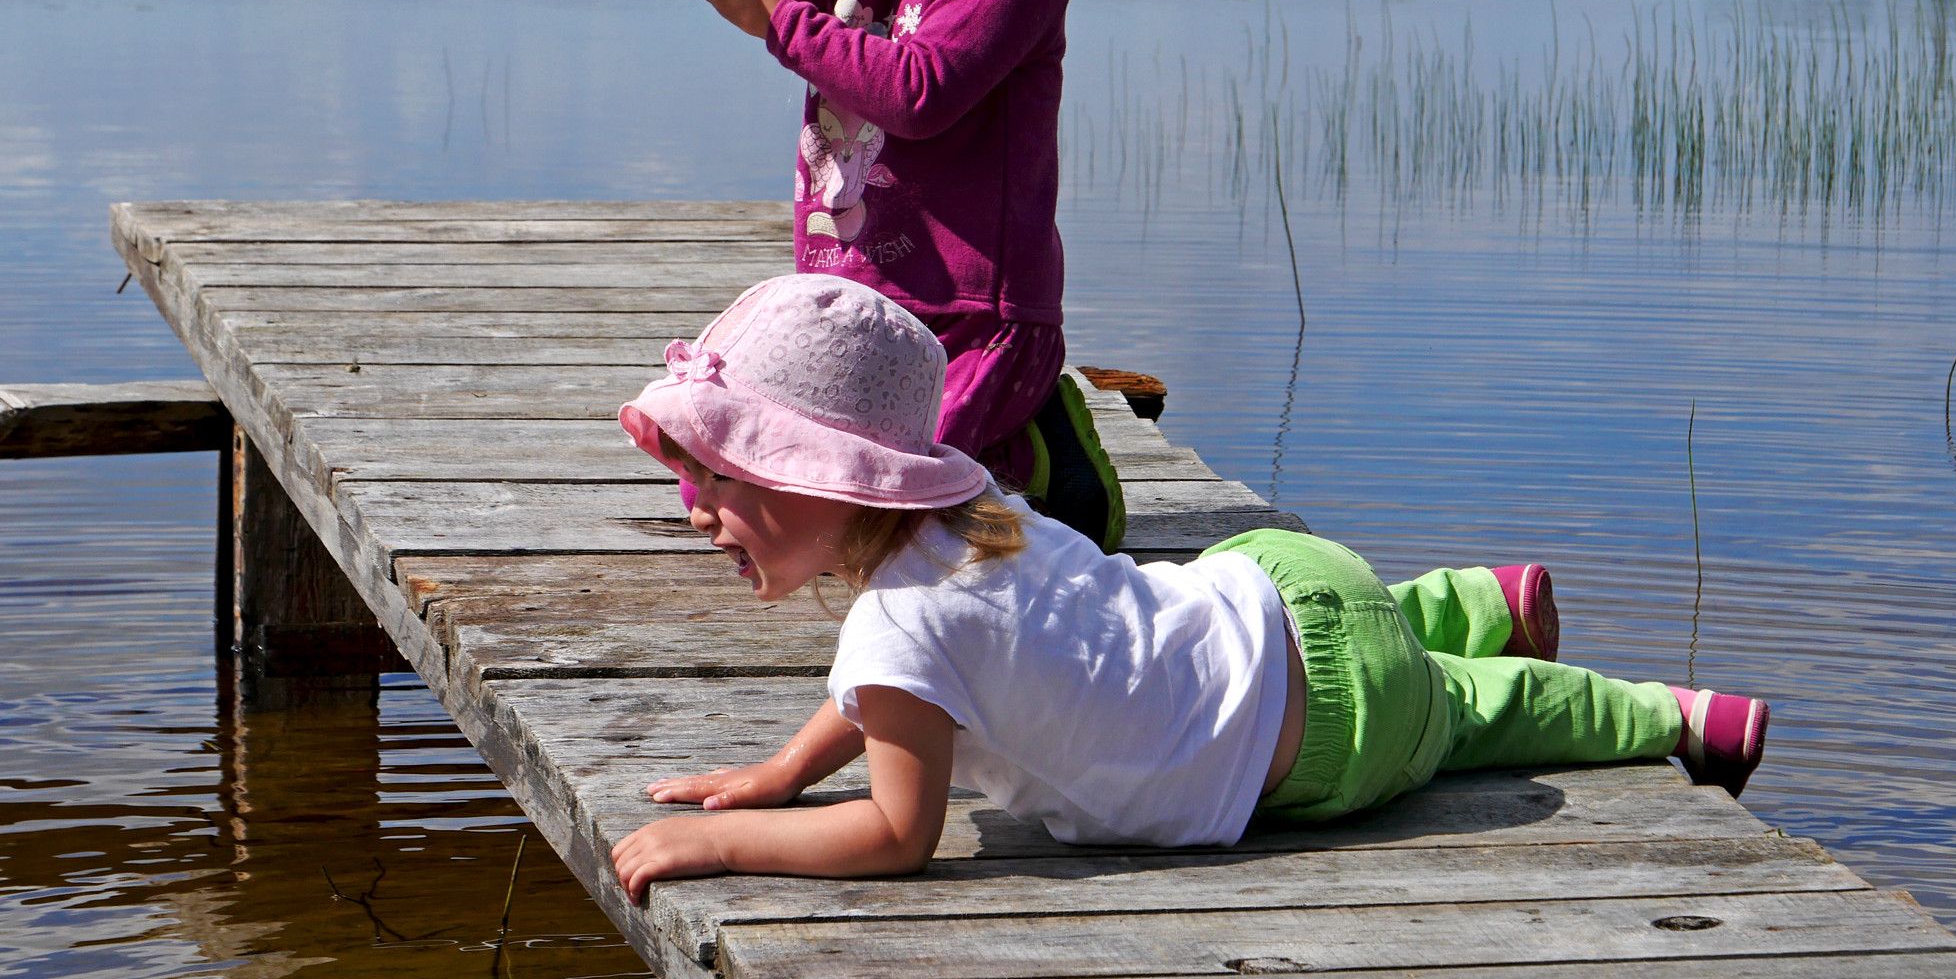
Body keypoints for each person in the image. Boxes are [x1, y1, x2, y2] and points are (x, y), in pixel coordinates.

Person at [606, 274, 1772, 899]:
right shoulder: (972, 519)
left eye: (721, 478)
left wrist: (724, 845)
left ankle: (1673, 716)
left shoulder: (895, 631)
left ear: (835, 484)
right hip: (1269, 586)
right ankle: (1478, 599)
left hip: (1330, 737)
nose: (694, 510)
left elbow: (899, 836)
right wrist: (782, 769)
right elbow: (889, 691)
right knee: (1267, 622)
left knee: (1474, 712)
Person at [502, 0, 1121, 547]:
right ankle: (999, 451)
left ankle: (1050, 463)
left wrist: (784, 26)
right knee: (739, 479)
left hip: (972, 320)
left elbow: (915, 93)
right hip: (851, 305)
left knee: (880, 526)